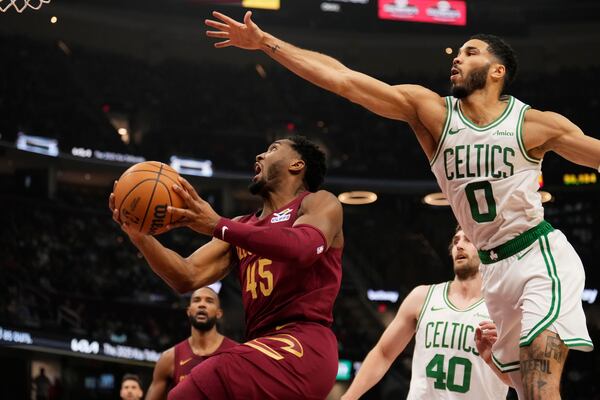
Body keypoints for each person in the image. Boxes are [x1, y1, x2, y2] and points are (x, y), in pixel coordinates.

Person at [204, 12, 596, 399]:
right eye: (456, 52)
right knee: (526, 392)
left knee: (542, 384)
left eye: (470, 52)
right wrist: (266, 43)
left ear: (497, 72)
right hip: (494, 269)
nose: (456, 58)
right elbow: (344, 80)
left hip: (537, 255)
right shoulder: (433, 113)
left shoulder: (536, 125)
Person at [109, 136, 344, 399]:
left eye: (273, 149)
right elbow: (186, 276)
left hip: (304, 345)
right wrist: (140, 237)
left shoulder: (318, 203)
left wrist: (218, 225)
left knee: (207, 378)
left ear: (297, 165)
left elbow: (301, 248)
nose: (259, 156)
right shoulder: (242, 225)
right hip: (262, 344)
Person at [341, 227, 509, 399]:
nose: (459, 245)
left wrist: (499, 359)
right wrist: (348, 398)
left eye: (467, 240)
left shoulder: (504, 308)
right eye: (456, 241)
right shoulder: (422, 297)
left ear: (487, 249)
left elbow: (521, 376)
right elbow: (383, 354)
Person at [145, 286, 238, 400]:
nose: (202, 305)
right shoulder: (169, 358)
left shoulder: (236, 354)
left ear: (219, 313)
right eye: (196, 300)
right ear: (189, 311)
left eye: (209, 301)